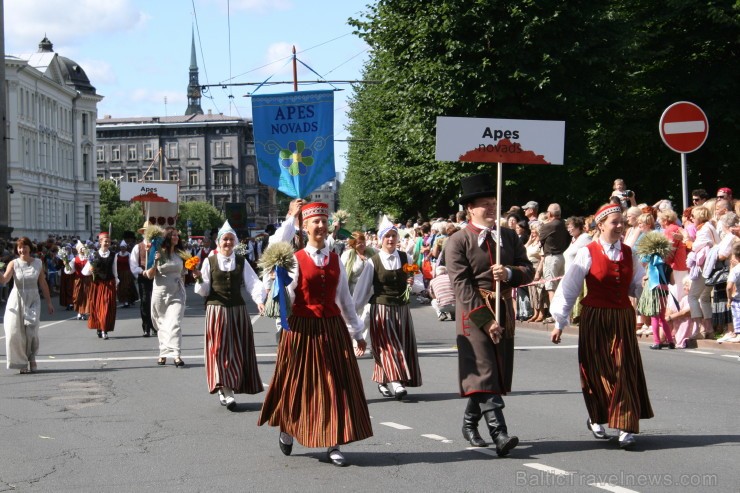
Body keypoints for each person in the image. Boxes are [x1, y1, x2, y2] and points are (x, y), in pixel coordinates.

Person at [258, 202, 372, 467]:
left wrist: (357, 332)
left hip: (331, 328)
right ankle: (287, 427)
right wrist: (279, 284)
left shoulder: (336, 260)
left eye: (323, 221)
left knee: (335, 385)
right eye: (315, 222)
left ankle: (334, 442)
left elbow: (345, 299)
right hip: (302, 330)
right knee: (299, 384)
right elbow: (286, 298)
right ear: (305, 227)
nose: (320, 226)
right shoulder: (295, 260)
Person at [445, 173, 534, 456]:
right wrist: (486, 320)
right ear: (471, 208)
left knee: (491, 374)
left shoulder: (507, 236)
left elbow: (527, 269)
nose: (492, 208)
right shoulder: (458, 241)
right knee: (483, 370)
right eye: (485, 203)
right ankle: (500, 433)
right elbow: (461, 286)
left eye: (494, 202)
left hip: (504, 308)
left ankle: (470, 422)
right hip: (473, 315)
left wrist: (509, 273)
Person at [550, 203, 653, 449]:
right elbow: (569, 288)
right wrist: (559, 322)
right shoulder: (587, 252)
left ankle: (626, 426)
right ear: (601, 225)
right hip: (595, 317)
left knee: (623, 369)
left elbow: (636, 285)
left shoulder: (629, 253)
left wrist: (649, 285)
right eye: (614, 222)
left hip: (622, 318)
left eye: (622, 222)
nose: (619, 226)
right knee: (597, 370)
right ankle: (597, 417)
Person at [194, 221, 265, 409]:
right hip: (216, 311)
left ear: (235, 241)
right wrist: (199, 279)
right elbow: (203, 290)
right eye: (224, 239)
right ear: (218, 242)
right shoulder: (209, 261)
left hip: (238, 311)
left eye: (230, 239)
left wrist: (259, 300)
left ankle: (230, 387)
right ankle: (225, 388)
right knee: (219, 349)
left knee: (237, 349)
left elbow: (253, 282)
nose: (227, 243)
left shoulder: (241, 261)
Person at [353, 216, 422, 400]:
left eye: (393, 236)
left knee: (401, 343)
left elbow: (418, 282)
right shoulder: (372, 262)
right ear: (381, 239)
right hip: (381, 309)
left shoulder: (406, 257)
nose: (391, 240)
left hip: (402, 309)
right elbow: (362, 290)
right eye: (387, 237)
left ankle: (383, 380)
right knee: (389, 346)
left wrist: (413, 282)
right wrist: (352, 313)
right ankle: (396, 382)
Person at [1, 237, 55, 373]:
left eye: (24, 247)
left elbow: (43, 283)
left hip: (33, 299)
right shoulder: (13, 263)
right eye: (19, 247)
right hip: (17, 299)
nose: (22, 250)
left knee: (30, 331)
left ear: (30, 248)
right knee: (15, 332)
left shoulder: (37, 263)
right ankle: (22, 361)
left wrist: (49, 302)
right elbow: (4, 280)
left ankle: (31, 357)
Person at [143, 228, 187, 367]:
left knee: (174, 323)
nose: (176, 237)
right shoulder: (157, 253)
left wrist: (183, 288)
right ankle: (163, 352)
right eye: (173, 235)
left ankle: (176, 354)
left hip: (177, 292)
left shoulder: (181, 254)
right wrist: (155, 262)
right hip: (160, 293)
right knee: (161, 323)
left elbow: (184, 273)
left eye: (177, 235)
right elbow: (149, 275)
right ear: (167, 238)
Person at [686, 206, 719, 339]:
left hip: (704, 268)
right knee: (704, 297)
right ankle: (709, 329)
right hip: (712, 267)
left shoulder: (703, 230)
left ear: (699, 216)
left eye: (693, 216)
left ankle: (697, 329)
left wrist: (687, 241)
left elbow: (695, 246)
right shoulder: (710, 227)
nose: (691, 218)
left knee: (692, 296)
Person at [535, 203, 570, 322]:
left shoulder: (547, 226)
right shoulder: (565, 225)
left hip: (551, 258)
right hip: (563, 257)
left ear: (549, 214)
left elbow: (540, 240)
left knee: (551, 288)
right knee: (561, 287)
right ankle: (564, 313)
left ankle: (555, 315)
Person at [82, 232, 118, 339]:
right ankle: (99, 327)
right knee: (98, 308)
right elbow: (84, 272)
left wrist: (116, 283)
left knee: (107, 307)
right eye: (105, 241)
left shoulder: (113, 255)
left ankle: (104, 329)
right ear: (100, 242)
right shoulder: (94, 255)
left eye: (108, 241)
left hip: (109, 284)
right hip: (97, 285)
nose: (107, 243)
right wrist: (90, 269)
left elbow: (115, 271)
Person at [130, 223, 156, 337]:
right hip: (144, 277)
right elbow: (133, 265)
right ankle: (146, 327)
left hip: (156, 278)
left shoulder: (157, 246)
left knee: (156, 302)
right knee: (145, 302)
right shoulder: (138, 247)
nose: (148, 234)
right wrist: (142, 271)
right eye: (147, 231)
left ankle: (155, 326)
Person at [724, 243, 740, 343]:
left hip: (739, 298)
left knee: (737, 312)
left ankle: (738, 334)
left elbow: (729, 287)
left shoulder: (735, 270)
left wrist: (729, 298)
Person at [116, 240, 138, 308]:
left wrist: (132, 273)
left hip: (127, 273)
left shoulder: (128, 254)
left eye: (124, 247)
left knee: (127, 287)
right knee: (121, 288)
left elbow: (131, 264)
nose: (123, 249)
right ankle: (123, 301)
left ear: (126, 248)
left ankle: (127, 301)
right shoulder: (117, 255)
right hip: (119, 273)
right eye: (122, 247)